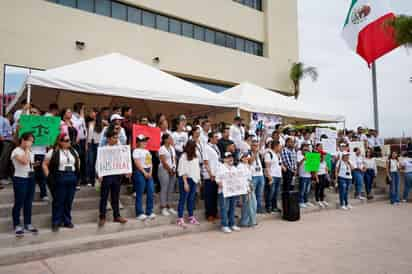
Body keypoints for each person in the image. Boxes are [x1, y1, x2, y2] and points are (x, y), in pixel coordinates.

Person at [43, 132, 80, 231]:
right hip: (60, 176)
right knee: (59, 200)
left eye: (69, 140)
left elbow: (78, 161)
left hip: (71, 176)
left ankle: (67, 220)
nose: (69, 142)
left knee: (69, 200)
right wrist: (49, 177)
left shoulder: (73, 151)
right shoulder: (53, 152)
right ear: (60, 142)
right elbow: (45, 164)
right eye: (66, 140)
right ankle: (56, 221)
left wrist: (76, 173)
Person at [96, 129, 128, 226]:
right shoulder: (103, 149)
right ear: (109, 139)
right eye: (114, 137)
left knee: (115, 196)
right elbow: (98, 162)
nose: (116, 139)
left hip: (117, 175)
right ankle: (102, 217)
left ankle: (117, 216)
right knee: (104, 197)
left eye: (117, 137)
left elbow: (125, 159)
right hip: (106, 175)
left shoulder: (120, 148)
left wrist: (127, 170)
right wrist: (99, 174)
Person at [11, 132, 38, 237]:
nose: (31, 143)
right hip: (20, 178)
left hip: (30, 178)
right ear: (23, 140)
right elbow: (24, 161)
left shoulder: (30, 151)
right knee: (19, 202)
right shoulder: (16, 151)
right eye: (29, 140)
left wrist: (35, 164)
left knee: (28, 202)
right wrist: (26, 149)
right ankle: (17, 224)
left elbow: (29, 164)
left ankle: (28, 223)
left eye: (32, 141)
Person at [176, 140, 201, 227]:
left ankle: (191, 217)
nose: (195, 149)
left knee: (191, 199)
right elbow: (182, 170)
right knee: (183, 199)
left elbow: (197, 168)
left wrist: (198, 180)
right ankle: (180, 218)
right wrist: (185, 183)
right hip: (185, 179)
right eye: (194, 147)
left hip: (194, 180)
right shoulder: (184, 156)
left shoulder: (195, 156)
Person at [216, 152, 241, 233]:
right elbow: (217, 179)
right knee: (224, 208)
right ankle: (224, 225)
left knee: (232, 208)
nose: (230, 159)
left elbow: (238, 179)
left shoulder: (234, 168)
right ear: (224, 159)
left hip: (233, 192)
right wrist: (220, 183)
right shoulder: (220, 167)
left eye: (231, 157)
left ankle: (232, 224)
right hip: (224, 192)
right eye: (228, 157)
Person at [133, 134, 156, 221]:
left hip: (148, 171)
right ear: (138, 142)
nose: (145, 142)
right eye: (143, 141)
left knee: (151, 191)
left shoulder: (147, 151)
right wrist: (144, 172)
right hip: (140, 171)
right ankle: (139, 213)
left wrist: (150, 172)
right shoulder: (136, 151)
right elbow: (137, 162)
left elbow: (150, 163)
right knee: (140, 192)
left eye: (145, 140)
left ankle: (149, 211)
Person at [202, 132, 221, 222]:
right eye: (215, 137)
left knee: (214, 195)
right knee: (209, 195)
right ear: (210, 138)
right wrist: (210, 174)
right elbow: (206, 162)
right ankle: (209, 214)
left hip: (216, 174)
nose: (217, 138)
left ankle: (214, 212)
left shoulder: (216, 147)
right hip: (209, 175)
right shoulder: (206, 147)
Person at [158, 133, 177, 216]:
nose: (171, 140)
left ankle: (169, 206)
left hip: (172, 170)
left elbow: (174, 159)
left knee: (171, 188)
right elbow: (163, 161)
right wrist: (169, 169)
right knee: (164, 188)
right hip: (164, 169)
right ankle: (163, 207)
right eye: (170, 138)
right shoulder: (162, 149)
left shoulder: (172, 148)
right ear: (165, 140)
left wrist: (174, 168)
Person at [264, 141, 284, 213]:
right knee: (270, 192)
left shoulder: (278, 154)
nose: (280, 147)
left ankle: (274, 207)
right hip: (272, 176)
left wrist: (283, 167)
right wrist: (269, 177)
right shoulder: (268, 154)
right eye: (279, 146)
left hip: (278, 175)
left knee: (276, 193)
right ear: (275, 146)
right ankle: (268, 207)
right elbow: (267, 167)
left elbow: (279, 163)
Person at [238, 152, 257, 227]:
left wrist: (251, 184)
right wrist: (246, 187)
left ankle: (250, 220)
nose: (246, 158)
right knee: (247, 205)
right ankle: (246, 221)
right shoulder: (240, 166)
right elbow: (241, 178)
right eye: (244, 157)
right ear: (241, 158)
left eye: (247, 157)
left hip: (250, 185)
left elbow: (251, 175)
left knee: (253, 204)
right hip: (245, 187)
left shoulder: (248, 165)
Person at [86, 108, 103, 187]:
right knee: (90, 162)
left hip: (99, 144)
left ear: (96, 113)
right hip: (90, 144)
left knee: (98, 162)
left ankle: (97, 179)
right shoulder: (89, 123)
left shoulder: (102, 122)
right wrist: (86, 144)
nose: (90, 113)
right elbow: (87, 135)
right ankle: (90, 179)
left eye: (91, 112)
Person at [72, 103, 87, 186]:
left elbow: (84, 128)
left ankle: (83, 179)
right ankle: (77, 179)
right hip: (76, 141)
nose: (84, 111)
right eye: (83, 109)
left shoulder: (81, 117)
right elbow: (76, 126)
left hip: (83, 140)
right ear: (79, 109)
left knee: (83, 160)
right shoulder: (74, 117)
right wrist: (81, 118)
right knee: (77, 160)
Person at [250, 139, 265, 214]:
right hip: (253, 175)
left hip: (260, 175)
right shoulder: (248, 153)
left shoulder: (259, 153)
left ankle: (258, 208)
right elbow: (250, 162)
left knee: (259, 193)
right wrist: (255, 153)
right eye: (254, 145)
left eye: (257, 145)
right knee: (252, 194)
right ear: (251, 146)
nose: (256, 147)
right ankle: (253, 209)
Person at [0, 114, 15, 188]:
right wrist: (2, 137)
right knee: (4, 160)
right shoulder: (3, 119)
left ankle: (4, 177)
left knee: (6, 160)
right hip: (6, 141)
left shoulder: (4, 119)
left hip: (7, 141)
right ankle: (2, 177)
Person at [297, 144, 313, 208]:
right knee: (302, 190)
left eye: (307, 150)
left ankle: (306, 201)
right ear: (302, 150)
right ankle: (301, 202)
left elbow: (312, 167)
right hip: (302, 175)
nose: (306, 151)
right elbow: (298, 164)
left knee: (307, 190)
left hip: (309, 175)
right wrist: (304, 159)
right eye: (304, 150)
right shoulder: (299, 156)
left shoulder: (310, 156)